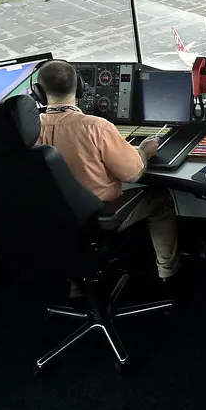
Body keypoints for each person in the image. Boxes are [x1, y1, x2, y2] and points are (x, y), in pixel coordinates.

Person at [34, 60, 181, 284]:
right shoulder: (96, 127)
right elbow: (133, 174)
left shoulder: (27, 130)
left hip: (48, 221)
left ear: (38, 93)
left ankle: (73, 287)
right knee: (160, 197)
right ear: (80, 87)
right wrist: (144, 151)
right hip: (97, 218)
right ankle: (168, 274)